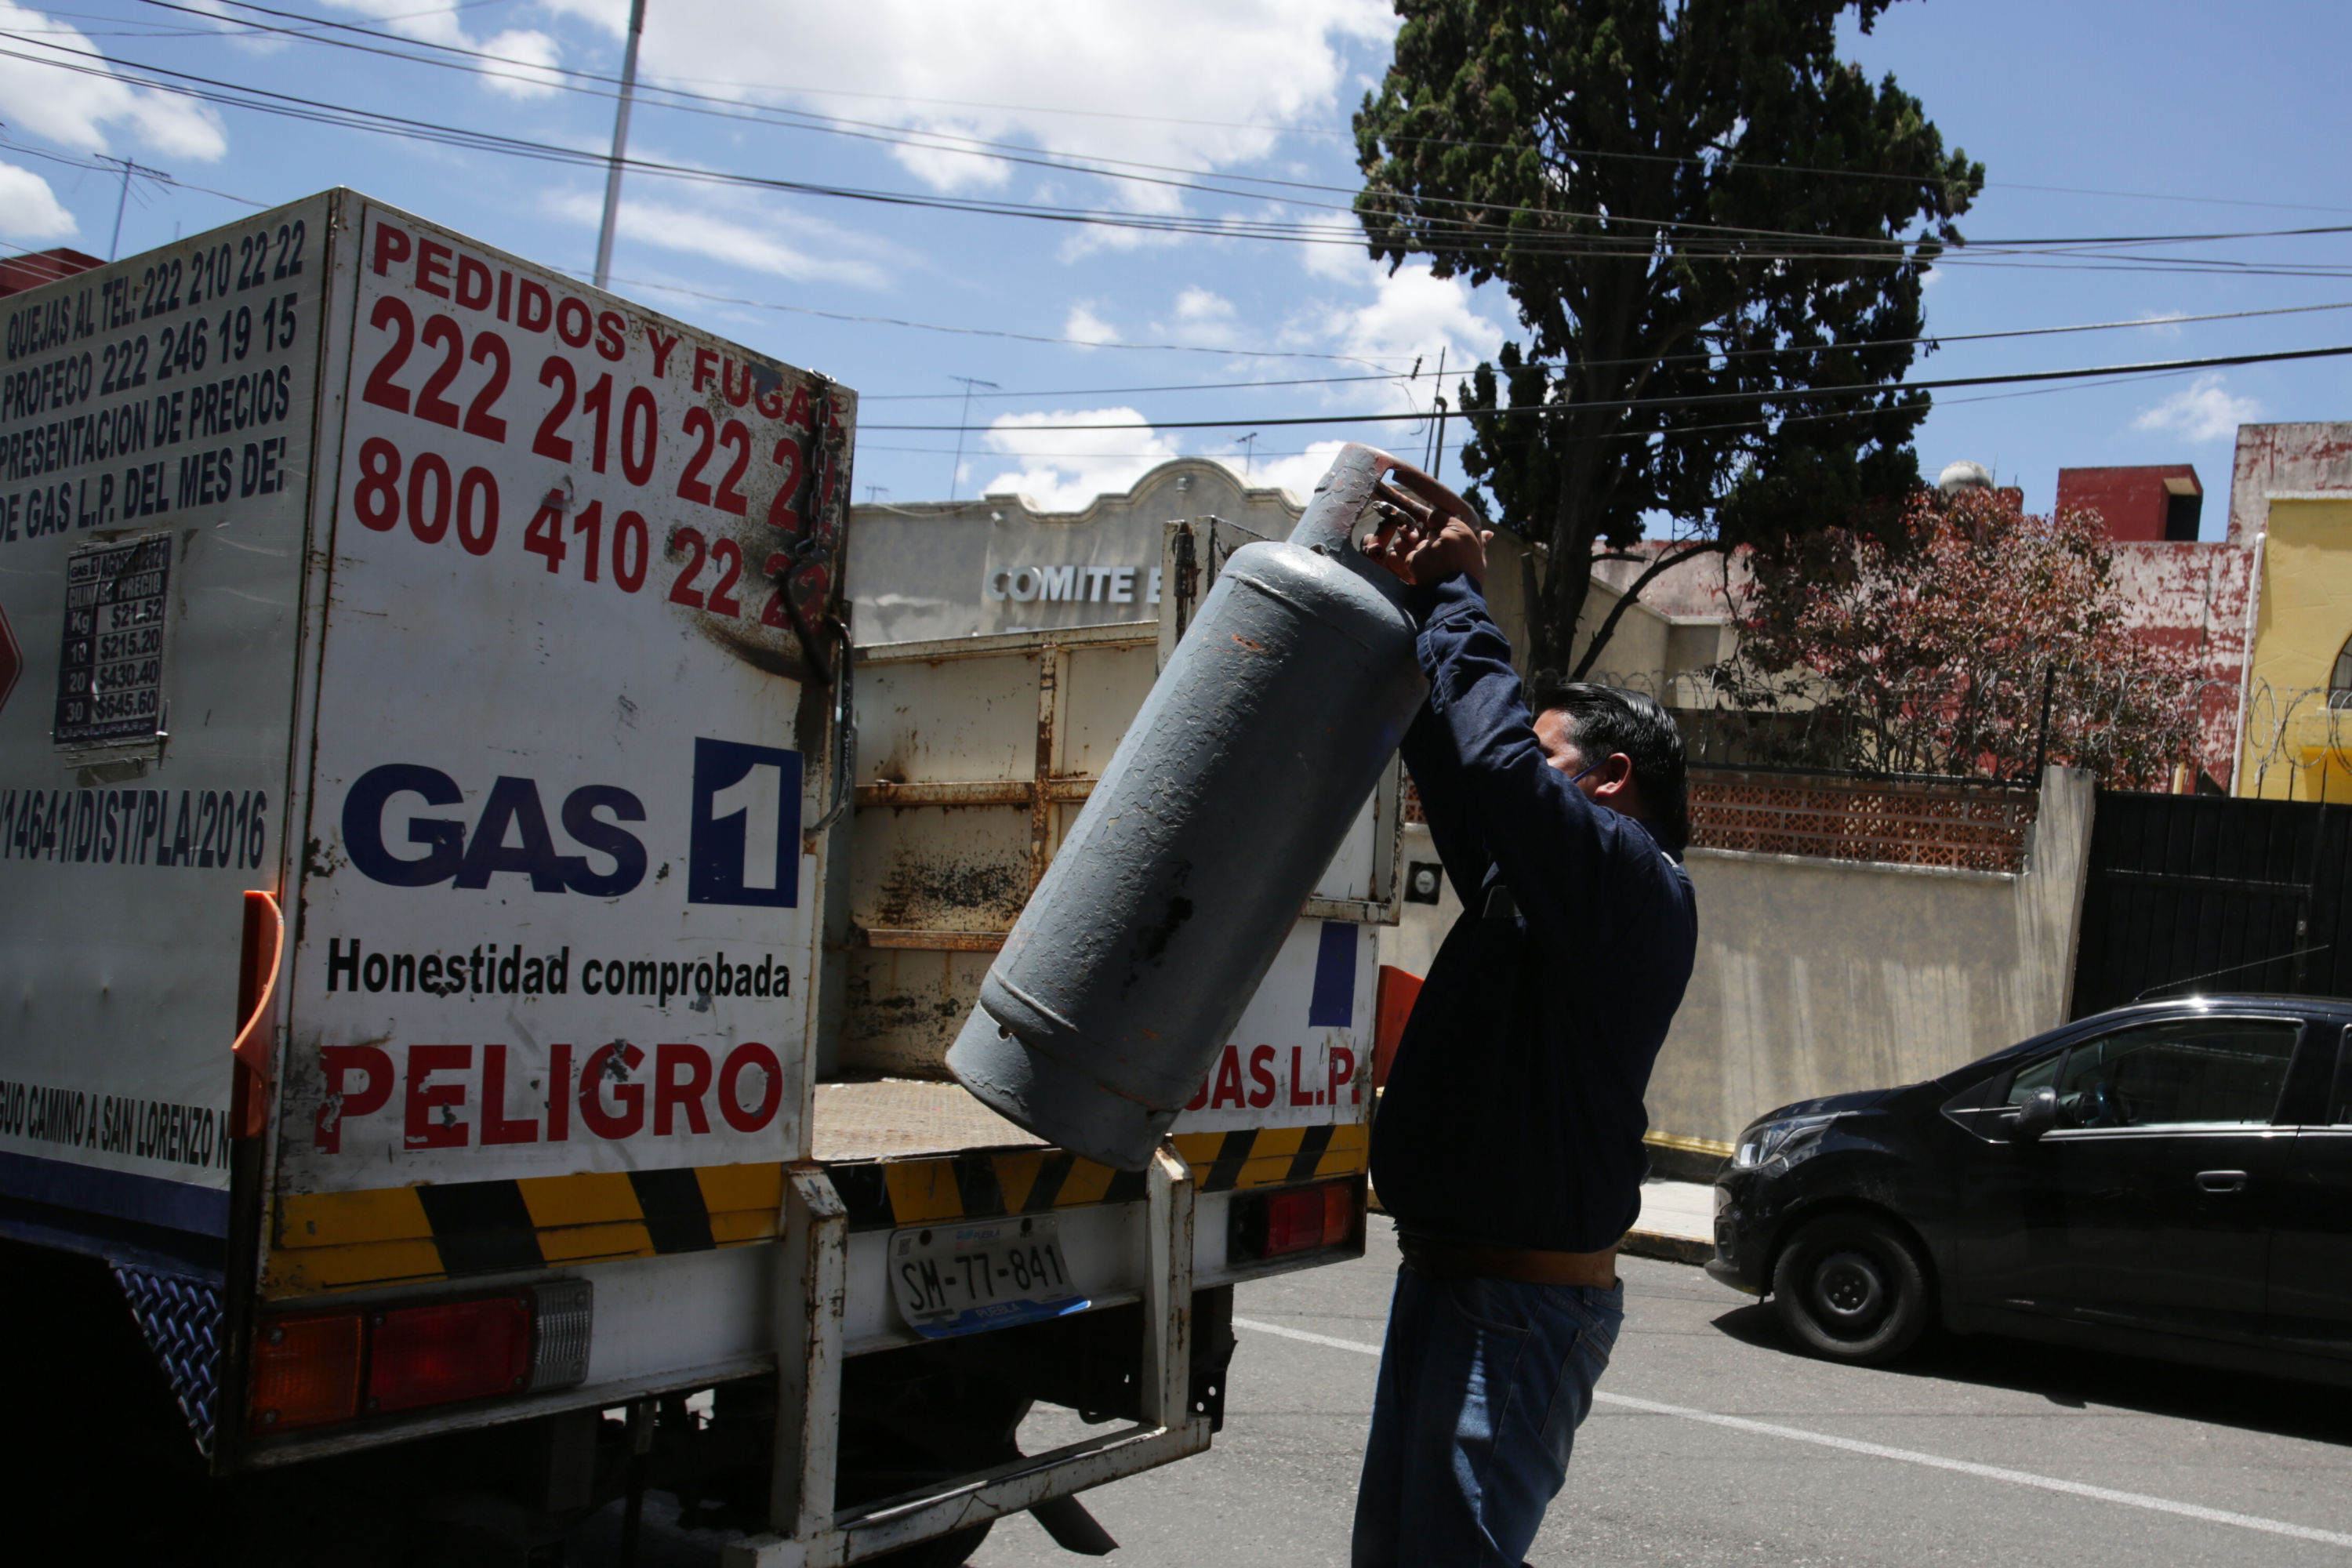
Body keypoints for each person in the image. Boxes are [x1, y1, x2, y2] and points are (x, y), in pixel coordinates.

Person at [1352, 505, 1699, 1567]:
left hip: (1518, 1307)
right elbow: (1467, 771)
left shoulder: (1636, 884)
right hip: (1451, 1280)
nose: (1522, 760)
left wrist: (1463, 590)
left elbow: (1497, 766)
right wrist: (1407, 606)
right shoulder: (1543, 887)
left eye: (1550, 750)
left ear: (1610, 781)